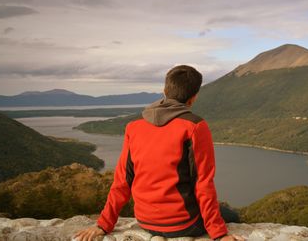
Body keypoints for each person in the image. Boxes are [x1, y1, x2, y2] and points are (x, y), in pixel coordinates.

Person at [75, 65, 243, 241]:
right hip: (183, 224)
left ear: (164, 91)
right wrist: (219, 234)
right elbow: (203, 182)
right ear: (193, 98)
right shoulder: (195, 126)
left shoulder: (134, 127)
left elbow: (122, 180)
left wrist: (103, 224)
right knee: (232, 216)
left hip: (145, 220)